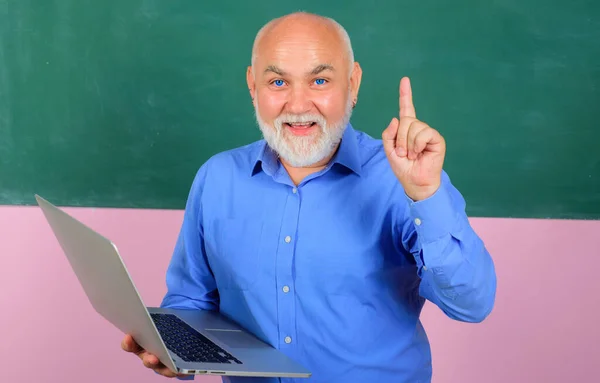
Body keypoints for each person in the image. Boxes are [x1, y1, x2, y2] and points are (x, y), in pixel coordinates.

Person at [121, 11, 497, 383]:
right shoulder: (218, 179)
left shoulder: (402, 179)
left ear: (353, 83)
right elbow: (190, 301)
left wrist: (426, 196)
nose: (298, 106)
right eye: (278, 83)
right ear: (253, 86)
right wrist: (171, 348)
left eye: (319, 80)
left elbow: (471, 304)